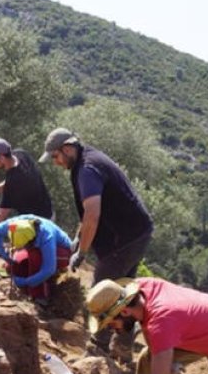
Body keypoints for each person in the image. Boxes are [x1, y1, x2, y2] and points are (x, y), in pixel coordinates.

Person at [39, 128, 152, 350]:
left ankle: (97, 347)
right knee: (124, 291)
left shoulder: (87, 170)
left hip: (124, 239)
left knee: (101, 291)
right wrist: (77, 238)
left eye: (56, 156)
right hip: (137, 232)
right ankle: (124, 344)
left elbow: (92, 214)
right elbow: (87, 213)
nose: (56, 162)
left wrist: (82, 251)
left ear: (68, 149)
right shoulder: (88, 159)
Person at [0, 137, 53, 252]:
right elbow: (11, 179)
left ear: (2, 158)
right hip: (48, 211)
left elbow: (1, 215)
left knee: (24, 260)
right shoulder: (21, 154)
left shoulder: (15, 181)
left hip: (38, 225)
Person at [0, 215, 72, 303]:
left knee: (35, 256)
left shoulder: (47, 236)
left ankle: (41, 296)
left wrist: (25, 282)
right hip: (39, 247)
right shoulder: (14, 225)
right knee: (16, 262)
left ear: (31, 240)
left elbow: (49, 269)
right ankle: (30, 282)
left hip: (63, 253)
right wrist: (4, 255)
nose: (24, 248)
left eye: (25, 246)